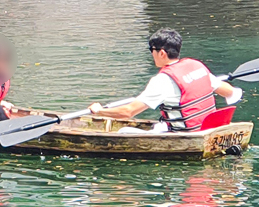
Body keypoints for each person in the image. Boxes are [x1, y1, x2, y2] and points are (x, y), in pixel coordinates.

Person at [88, 28, 242, 132]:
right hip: (207, 130)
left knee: (123, 131)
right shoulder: (197, 66)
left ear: (162, 53)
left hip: (186, 135)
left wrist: (100, 111)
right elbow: (230, 93)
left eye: (151, 50)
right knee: (159, 126)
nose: (151, 54)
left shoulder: (162, 80)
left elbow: (128, 112)